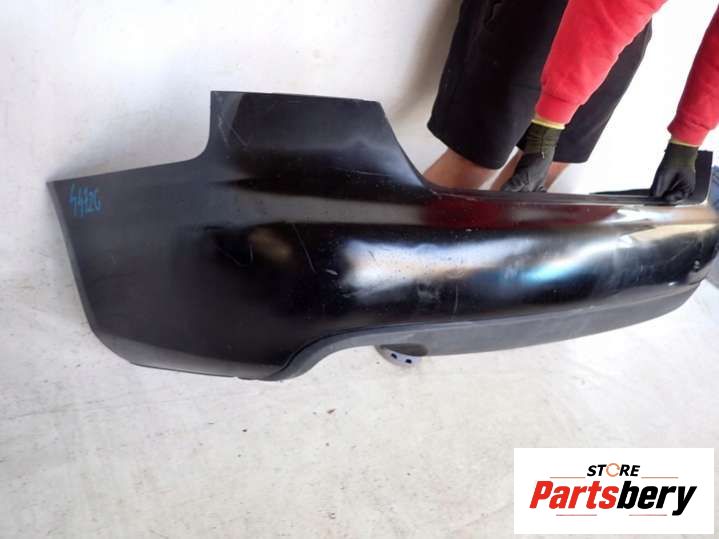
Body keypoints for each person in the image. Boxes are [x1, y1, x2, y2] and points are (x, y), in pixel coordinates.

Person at [504, 0, 719, 203]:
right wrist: (544, 135)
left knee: (535, 184)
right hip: (584, 16)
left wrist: (686, 144)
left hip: (616, 31)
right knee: (491, 156)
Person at [426, 0, 652, 191]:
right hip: (545, 7)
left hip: (629, 22)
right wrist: (547, 132)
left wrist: (677, 142)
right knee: (477, 157)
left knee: (550, 164)